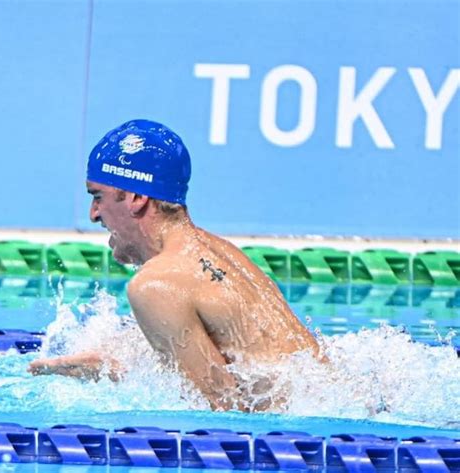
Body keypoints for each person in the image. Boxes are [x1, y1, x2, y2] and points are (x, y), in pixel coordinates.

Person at [29, 119, 322, 411]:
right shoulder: (220, 250)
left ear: (136, 198)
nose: (94, 214)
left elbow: (224, 409)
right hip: (324, 403)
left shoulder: (155, 284)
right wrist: (108, 370)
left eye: (97, 197)